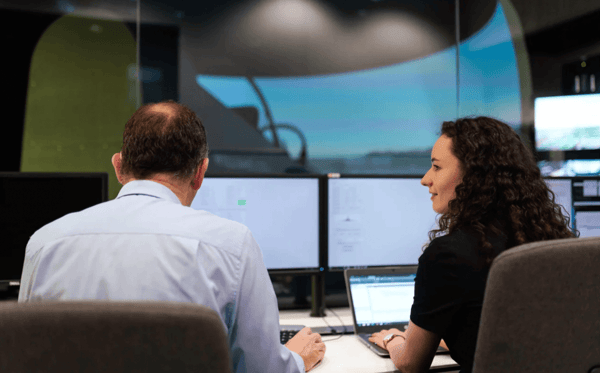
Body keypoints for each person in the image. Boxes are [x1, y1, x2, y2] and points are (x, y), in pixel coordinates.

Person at [18, 100, 325, 373]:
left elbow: (24, 357)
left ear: (119, 166)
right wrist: (296, 358)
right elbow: (262, 369)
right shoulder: (232, 245)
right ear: (200, 173)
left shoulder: (44, 243)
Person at [368, 116, 578, 373]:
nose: (425, 179)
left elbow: (412, 363)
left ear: (474, 176)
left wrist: (393, 340)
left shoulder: (448, 255)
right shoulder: (551, 240)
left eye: (436, 167)